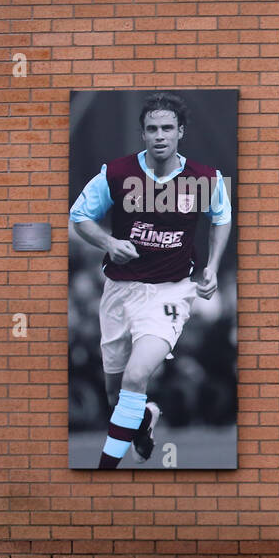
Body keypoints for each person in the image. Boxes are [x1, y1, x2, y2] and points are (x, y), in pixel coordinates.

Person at [69, 92, 232, 469]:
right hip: (119, 291)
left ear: (181, 132)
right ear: (143, 133)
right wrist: (109, 242)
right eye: (152, 129)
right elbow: (80, 217)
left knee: (137, 373)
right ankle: (144, 417)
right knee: (116, 393)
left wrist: (211, 266)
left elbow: (221, 217)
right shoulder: (117, 173)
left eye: (167, 128)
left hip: (171, 292)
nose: (160, 135)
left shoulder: (203, 178)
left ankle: (106, 466)